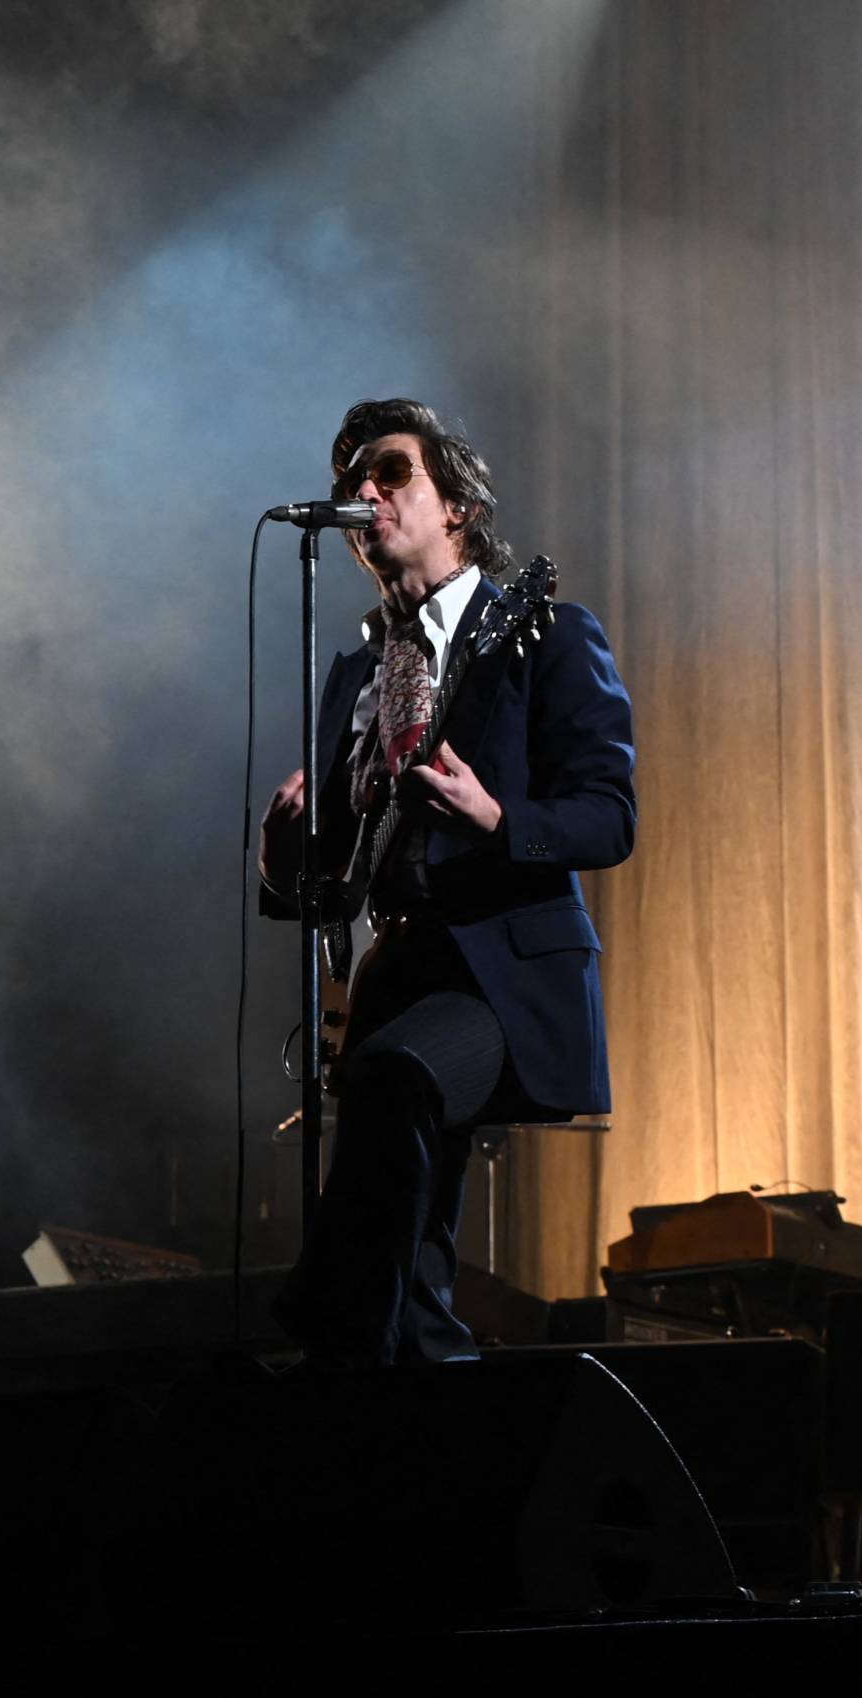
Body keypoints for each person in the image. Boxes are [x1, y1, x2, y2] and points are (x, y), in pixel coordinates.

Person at [258, 399, 634, 1365]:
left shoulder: (546, 634)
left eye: (389, 473)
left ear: (457, 503)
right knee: (413, 1257)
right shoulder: (355, 673)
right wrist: (283, 851)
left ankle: (317, 1338)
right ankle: (427, 1404)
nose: (363, 496)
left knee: (393, 1082)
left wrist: (502, 820)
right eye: (351, 485)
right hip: (398, 978)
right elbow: (334, 880)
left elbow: (611, 814)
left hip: (502, 983)